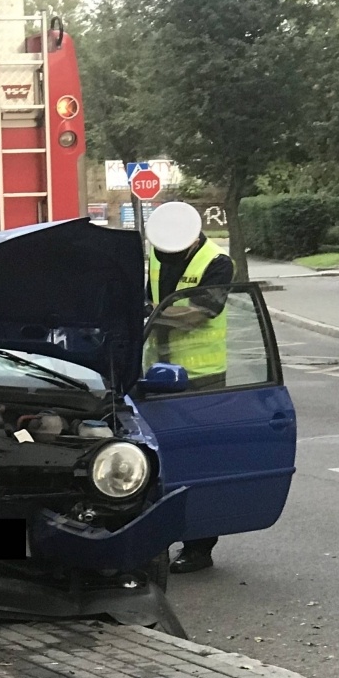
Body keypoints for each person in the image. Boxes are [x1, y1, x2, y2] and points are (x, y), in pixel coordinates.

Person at [144, 200, 233, 575]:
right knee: (156, 462)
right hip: (155, 375)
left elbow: (199, 313)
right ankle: (154, 539)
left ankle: (199, 547)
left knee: (202, 463)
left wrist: (150, 312)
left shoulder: (217, 262)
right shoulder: (154, 253)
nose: (168, 254)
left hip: (204, 378)